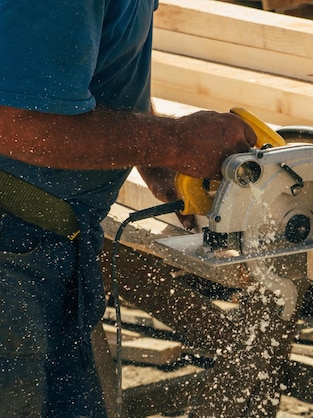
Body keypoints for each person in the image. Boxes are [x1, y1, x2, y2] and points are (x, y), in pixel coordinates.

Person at [0, 1, 256, 416]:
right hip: (12, 235)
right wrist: (178, 141)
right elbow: (18, 123)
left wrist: (158, 160)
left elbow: (108, 62)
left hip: (44, 233)